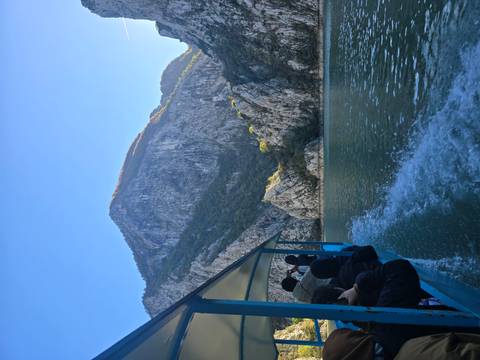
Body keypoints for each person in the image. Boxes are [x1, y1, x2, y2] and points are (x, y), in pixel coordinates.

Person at [310, 245, 381, 290]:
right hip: (380, 269)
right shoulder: (344, 254)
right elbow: (370, 250)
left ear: (325, 276)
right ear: (326, 260)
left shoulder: (341, 284)